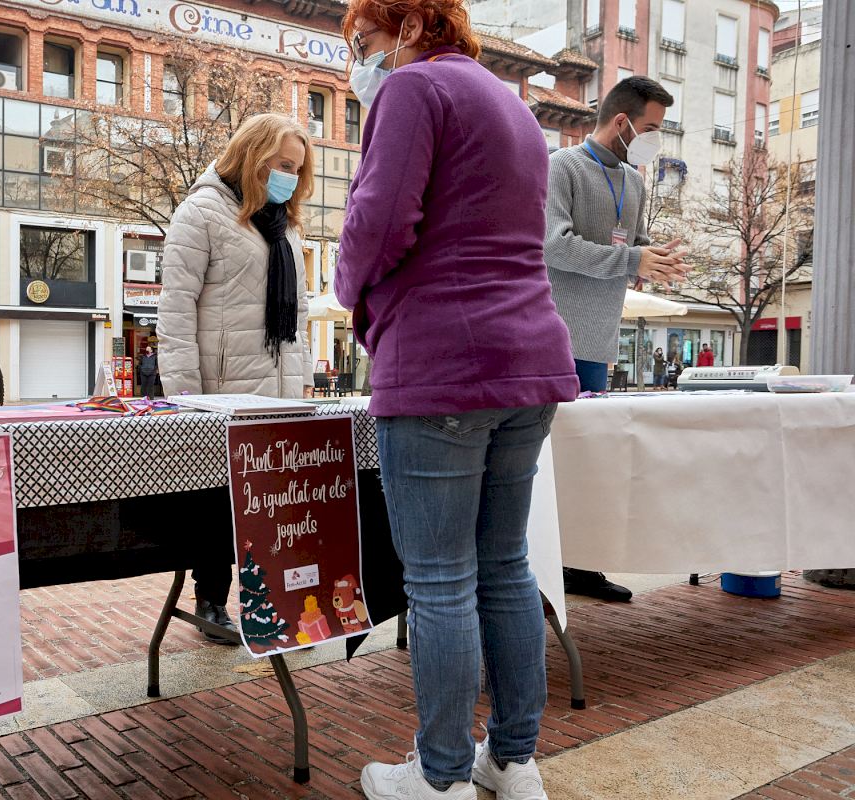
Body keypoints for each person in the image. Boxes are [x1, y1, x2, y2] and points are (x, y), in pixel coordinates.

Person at [335, 2, 579, 797]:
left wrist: (346, 288)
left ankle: (438, 778)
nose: (362, 62)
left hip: (441, 357)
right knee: (505, 566)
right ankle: (512, 761)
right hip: (528, 355)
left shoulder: (413, 90)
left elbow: (380, 221)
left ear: (410, 27)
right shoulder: (512, 108)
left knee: (439, 580)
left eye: (366, 42)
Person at [158, 113, 313, 644]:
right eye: (282, 164)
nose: (290, 176)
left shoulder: (284, 224)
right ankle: (210, 597)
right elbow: (176, 311)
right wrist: (184, 397)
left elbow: (298, 317)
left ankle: (271, 599)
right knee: (216, 503)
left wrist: (301, 384)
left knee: (269, 502)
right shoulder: (201, 212)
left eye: (297, 168)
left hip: (278, 390)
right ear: (252, 156)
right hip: (220, 392)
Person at [544, 75, 690, 603]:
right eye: (652, 128)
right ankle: (543, 567)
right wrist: (632, 259)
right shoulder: (560, 167)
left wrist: (657, 259)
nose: (656, 140)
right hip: (553, 340)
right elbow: (553, 246)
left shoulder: (635, 181)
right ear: (623, 122)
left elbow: (634, 244)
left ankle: (582, 564)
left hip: (601, 340)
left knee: (591, 461)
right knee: (550, 463)